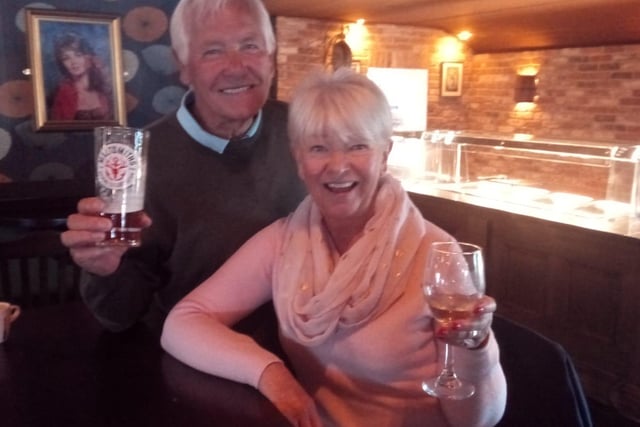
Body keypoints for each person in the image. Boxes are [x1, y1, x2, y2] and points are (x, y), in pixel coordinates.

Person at [161, 68, 507, 427]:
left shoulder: (436, 252)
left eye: (357, 146)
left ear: (384, 154)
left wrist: (475, 348)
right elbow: (184, 322)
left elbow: (477, 420)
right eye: (318, 148)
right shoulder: (287, 241)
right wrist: (270, 374)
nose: (338, 166)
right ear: (299, 160)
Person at [60, 0, 306, 334]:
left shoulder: (310, 131)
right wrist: (105, 270)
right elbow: (120, 316)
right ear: (183, 65)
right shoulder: (136, 161)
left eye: (250, 46)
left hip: (315, 351)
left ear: (271, 58)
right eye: (213, 51)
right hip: (199, 360)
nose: (236, 67)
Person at [50, 31, 112, 121]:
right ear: (62, 63)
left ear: (89, 57)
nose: (73, 62)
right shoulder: (63, 93)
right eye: (66, 58)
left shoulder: (105, 87)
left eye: (78, 55)